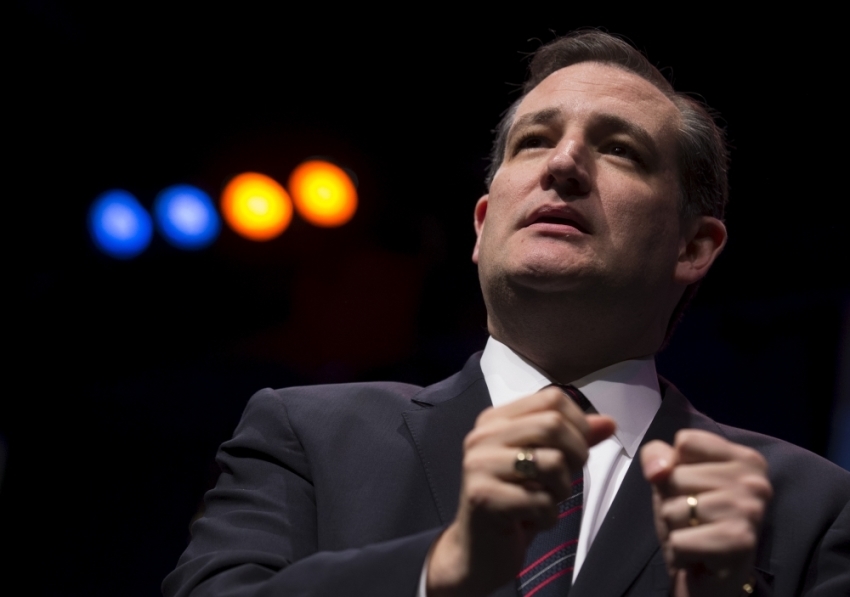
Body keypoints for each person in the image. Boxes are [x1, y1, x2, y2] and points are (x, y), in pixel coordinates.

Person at [163, 31, 850, 597]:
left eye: (619, 149)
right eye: (533, 140)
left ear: (694, 246)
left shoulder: (810, 507)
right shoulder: (307, 436)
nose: (566, 162)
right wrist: (443, 568)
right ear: (483, 222)